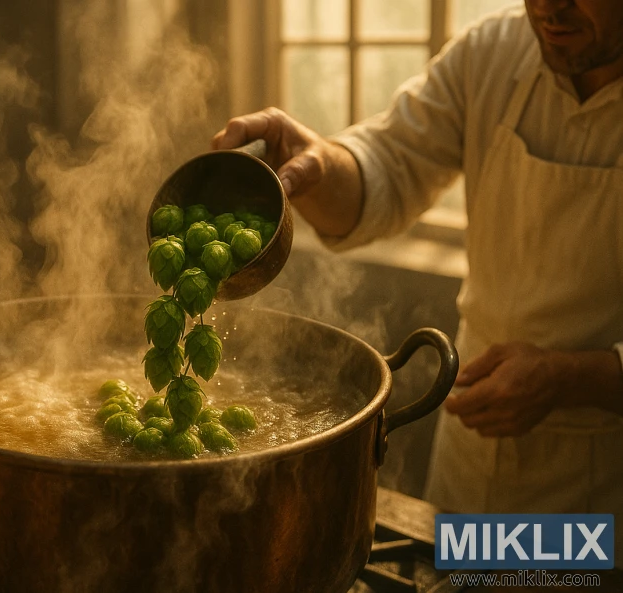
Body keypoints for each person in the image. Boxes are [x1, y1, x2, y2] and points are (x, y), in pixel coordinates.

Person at [213, 0, 623, 553]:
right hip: (470, 459)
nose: (551, 8)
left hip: (599, 495)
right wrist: (318, 163)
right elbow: (390, 164)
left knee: (551, 580)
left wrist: (570, 377)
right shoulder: (493, 52)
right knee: (454, 578)